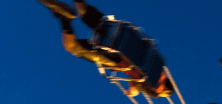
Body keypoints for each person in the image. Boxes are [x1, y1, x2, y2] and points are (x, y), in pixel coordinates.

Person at [37, 0, 171, 97]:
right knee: (73, 47)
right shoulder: (152, 80)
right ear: (163, 86)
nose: (158, 91)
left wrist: (134, 86)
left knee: (87, 14)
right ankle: (65, 18)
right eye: (161, 91)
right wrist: (134, 91)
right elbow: (138, 81)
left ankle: (71, 7)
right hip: (115, 58)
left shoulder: (155, 61)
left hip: (118, 31)